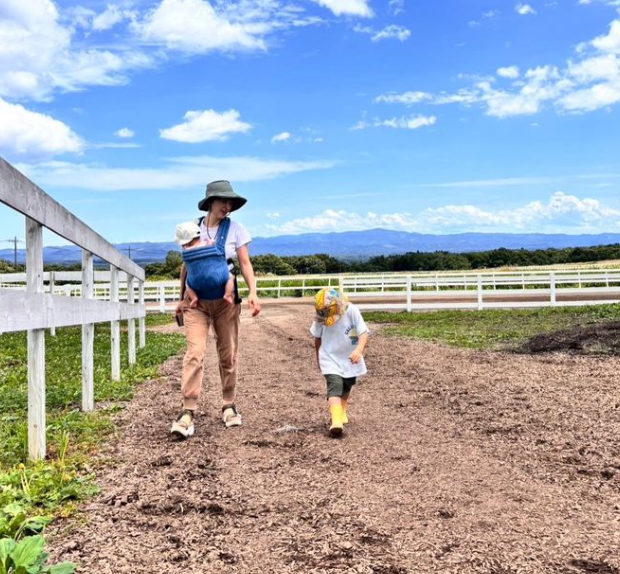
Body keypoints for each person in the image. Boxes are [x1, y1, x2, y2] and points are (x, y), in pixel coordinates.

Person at [171, 180, 261, 438]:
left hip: (225, 303)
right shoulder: (191, 229)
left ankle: (228, 405)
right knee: (195, 353)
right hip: (195, 304)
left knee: (228, 354)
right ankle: (187, 410)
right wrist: (181, 298)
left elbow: (244, 263)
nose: (228, 206)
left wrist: (253, 292)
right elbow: (186, 267)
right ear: (210, 202)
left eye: (230, 202)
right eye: (223, 201)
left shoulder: (235, 229)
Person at [310, 287, 369, 437]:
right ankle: (336, 421)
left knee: (347, 384)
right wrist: (319, 358)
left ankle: (341, 410)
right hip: (329, 357)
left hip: (349, 357)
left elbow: (363, 332)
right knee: (335, 385)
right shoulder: (321, 318)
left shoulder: (352, 311)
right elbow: (317, 338)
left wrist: (358, 350)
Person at [174, 221, 235, 307]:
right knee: (230, 277)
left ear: (185, 242)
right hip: (216, 277)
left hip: (195, 282)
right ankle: (227, 295)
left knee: (188, 285)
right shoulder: (206, 243)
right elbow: (213, 242)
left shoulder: (186, 251)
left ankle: (194, 298)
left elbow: (185, 267)